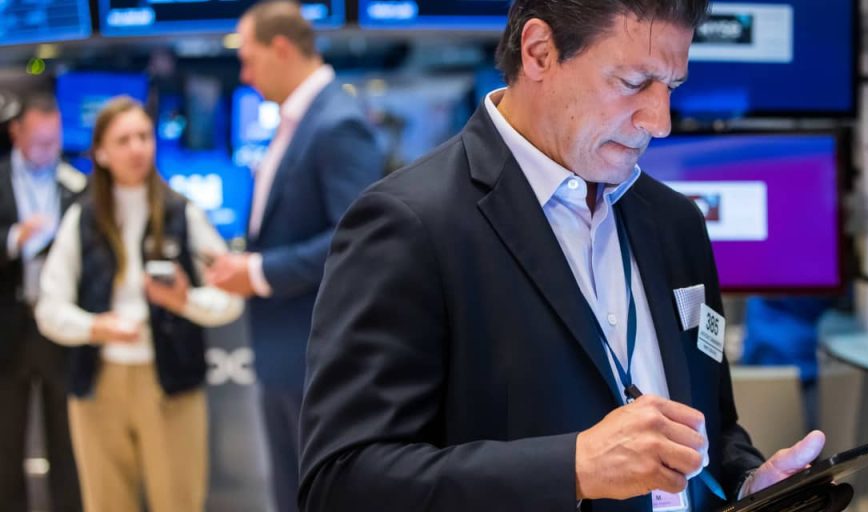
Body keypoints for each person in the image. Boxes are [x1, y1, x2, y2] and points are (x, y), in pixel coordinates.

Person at [299, 1, 829, 511]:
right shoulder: (410, 223)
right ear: (539, 53)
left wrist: (748, 486)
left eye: (670, 87)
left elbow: (712, 428)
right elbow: (342, 482)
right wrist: (571, 469)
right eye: (633, 83)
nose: (660, 121)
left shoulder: (675, 223)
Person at [204, 2, 383, 510]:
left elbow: (355, 240)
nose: (244, 74)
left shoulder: (337, 123)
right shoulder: (298, 120)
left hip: (317, 355)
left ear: (281, 48)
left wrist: (259, 272)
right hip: (286, 353)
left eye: (249, 58)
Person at [35, 96, 244, 512]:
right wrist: (96, 327)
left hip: (169, 383)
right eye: (124, 140)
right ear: (101, 153)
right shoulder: (82, 219)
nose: (137, 149)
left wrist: (185, 301)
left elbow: (230, 297)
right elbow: (49, 308)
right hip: (99, 384)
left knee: (178, 500)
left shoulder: (182, 214)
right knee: (106, 502)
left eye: (144, 137)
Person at [0, 94, 85, 512]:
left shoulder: (75, 184)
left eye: (54, 142)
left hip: (59, 329)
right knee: (6, 440)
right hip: (8, 328)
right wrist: (14, 239)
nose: (47, 151)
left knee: (66, 441)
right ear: (16, 133)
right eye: (39, 142)